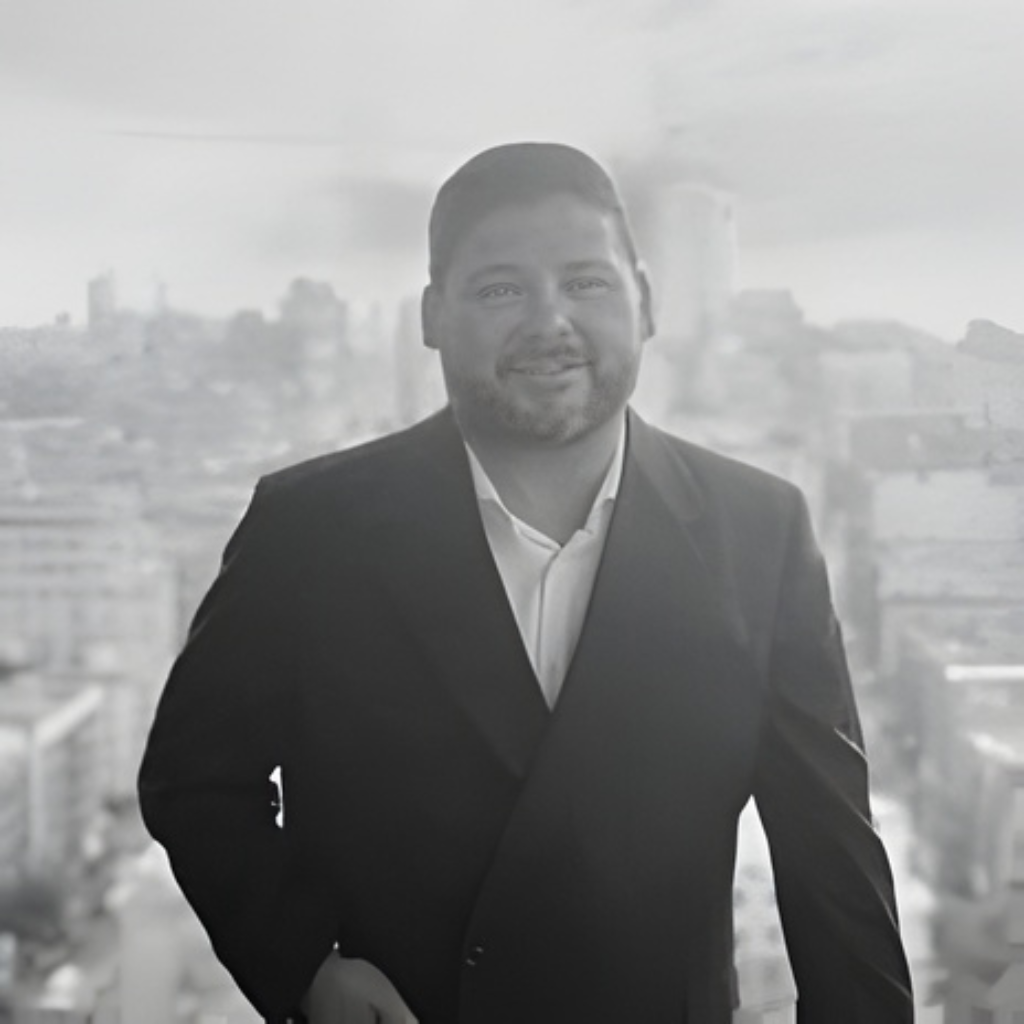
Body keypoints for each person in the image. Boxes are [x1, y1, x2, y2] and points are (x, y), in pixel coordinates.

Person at [138, 142, 914, 1024]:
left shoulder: (762, 533)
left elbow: (832, 865)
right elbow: (194, 780)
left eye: (586, 282)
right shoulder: (308, 531)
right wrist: (307, 968)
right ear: (432, 315)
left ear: (646, 302)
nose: (550, 321)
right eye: (501, 289)